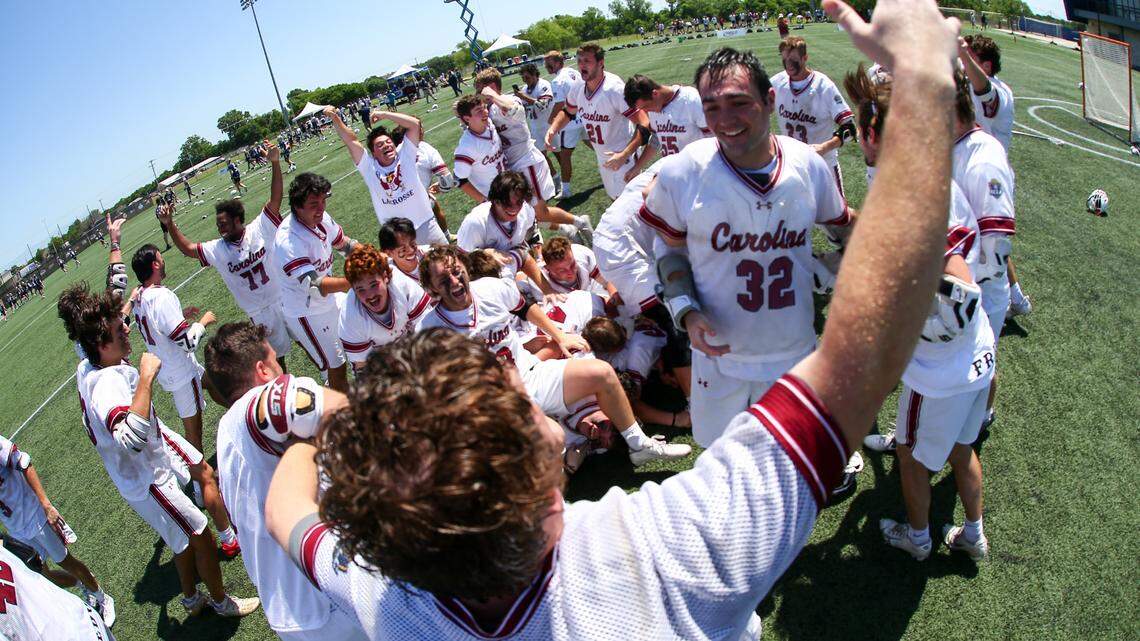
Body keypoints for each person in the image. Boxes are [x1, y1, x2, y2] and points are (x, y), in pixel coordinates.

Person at [261, 1, 965, 631]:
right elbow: (860, 357)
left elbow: (288, 514)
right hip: (735, 365)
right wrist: (927, 86)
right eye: (519, 416)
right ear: (540, 479)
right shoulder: (657, 552)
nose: (542, 416)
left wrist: (298, 426)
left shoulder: (388, 596)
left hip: (774, 341)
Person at [843, 65, 994, 561]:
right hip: (978, 354)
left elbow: (956, 288)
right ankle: (972, 534)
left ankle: (919, 538)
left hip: (940, 369)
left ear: (870, 133)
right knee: (960, 447)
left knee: (910, 457)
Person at [59, 283, 260, 618]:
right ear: (99, 342)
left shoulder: (89, 363)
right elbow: (129, 439)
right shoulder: (106, 384)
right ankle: (222, 602)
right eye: (117, 328)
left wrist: (115, 256)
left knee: (190, 512)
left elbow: (102, 325)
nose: (126, 328)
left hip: (154, 446)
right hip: (146, 476)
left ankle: (191, 599)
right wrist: (147, 378)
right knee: (198, 534)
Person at [416, 244, 691, 466]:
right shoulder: (429, 327)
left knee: (602, 372)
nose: (455, 280)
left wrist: (560, 337)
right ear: (432, 290)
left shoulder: (490, 288)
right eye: (444, 279)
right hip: (496, 400)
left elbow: (523, 307)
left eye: (456, 271)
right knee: (553, 439)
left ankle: (637, 444)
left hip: (531, 374)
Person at [205, 322, 368, 640]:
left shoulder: (226, 430)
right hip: (327, 601)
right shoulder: (254, 407)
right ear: (262, 370)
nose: (282, 368)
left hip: (289, 608)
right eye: (276, 360)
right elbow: (292, 404)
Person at [161, 143, 292, 372]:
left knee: (310, 341)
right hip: (259, 312)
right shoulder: (218, 249)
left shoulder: (258, 228)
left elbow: (276, 197)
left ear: (237, 220)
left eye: (223, 223)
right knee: (275, 360)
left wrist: (275, 163)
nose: (219, 228)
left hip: (284, 296)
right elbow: (188, 249)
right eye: (217, 224)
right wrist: (170, 224)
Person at [948, 74, 1018, 435]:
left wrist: (958, 282)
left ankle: (977, 421)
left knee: (977, 368)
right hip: (958, 283)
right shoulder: (953, 145)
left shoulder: (983, 156)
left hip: (978, 289)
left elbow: (996, 245)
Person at [0, 433, 115, 627]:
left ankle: (102, 597)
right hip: (15, 529)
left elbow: (24, 462)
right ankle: (83, 585)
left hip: (34, 515)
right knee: (43, 577)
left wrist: (46, 505)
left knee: (66, 561)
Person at [474, 69, 593, 243]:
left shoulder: (509, 100)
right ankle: (568, 229)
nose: (478, 94)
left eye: (480, 90)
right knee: (529, 216)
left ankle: (580, 222)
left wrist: (491, 94)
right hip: (513, 168)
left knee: (540, 213)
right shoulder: (489, 110)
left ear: (491, 87)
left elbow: (514, 110)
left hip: (526, 162)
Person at [959, 35, 1032, 317]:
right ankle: (1017, 299)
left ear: (986, 66)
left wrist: (962, 53)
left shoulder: (999, 92)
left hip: (989, 179)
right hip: (971, 173)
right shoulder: (968, 84)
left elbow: (983, 91)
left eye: (972, 59)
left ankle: (991, 310)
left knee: (986, 252)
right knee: (988, 244)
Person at [274, 172, 360, 393]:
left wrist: (373, 257)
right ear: (297, 206)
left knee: (361, 330)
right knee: (336, 366)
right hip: (307, 311)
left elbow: (344, 244)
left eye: (323, 200)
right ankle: (341, 415)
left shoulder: (319, 218)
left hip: (328, 299)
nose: (321, 208)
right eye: (314, 203)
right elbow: (315, 285)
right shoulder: (288, 240)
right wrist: (357, 280)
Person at [327, 106, 447, 245]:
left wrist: (384, 114)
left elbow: (414, 124)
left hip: (426, 224)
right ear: (373, 153)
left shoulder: (406, 154)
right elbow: (351, 141)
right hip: (398, 236)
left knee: (447, 264)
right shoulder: (369, 168)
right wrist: (335, 118)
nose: (386, 145)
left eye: (388, 142)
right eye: (379, 145)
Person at [545, 44, 651, 200]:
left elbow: (644, 122)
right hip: (603, 157)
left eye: (587, 61)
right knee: (615, 201)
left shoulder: (614, 89)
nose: (581, 65)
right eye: (579, 60)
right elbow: (568, 112)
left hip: (623, 157)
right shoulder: (578, 87)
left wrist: (625, 153)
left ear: (601, 63)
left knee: (633, 205)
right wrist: (553, 129)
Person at [771, 36, 857, 200]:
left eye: (794, 59)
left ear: (805, 58)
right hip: (792, 166)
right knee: (793, 221)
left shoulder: (823, 86)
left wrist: (824, 147)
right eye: (785, 59)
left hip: (823, 166)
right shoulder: (777, 82)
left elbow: (850, 128)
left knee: (837, 222)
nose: (788, 64)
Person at [338, 244, 432, 370]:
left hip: (412, 346)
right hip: (380, 365)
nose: (370, 295)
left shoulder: (403, 286)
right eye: (361, 289)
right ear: (353, 290)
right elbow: (363, 367)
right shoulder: (350, 317)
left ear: (385, 277)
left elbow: (429, 331)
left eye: (373, 285)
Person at [0, 543, 115, 640]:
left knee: (64, 560)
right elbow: (29, 556)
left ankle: (97, 593)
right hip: (78, 613)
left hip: (59, 631)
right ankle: (85, 585)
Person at [455, 172, 546, 285]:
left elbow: (533, 233)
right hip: (486, 280)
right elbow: (460, 259)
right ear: (494, 200)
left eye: (519, 202)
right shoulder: (476, 222)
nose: (514, 208)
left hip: (518, 265)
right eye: (507, 202)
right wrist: (484, 253)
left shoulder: (525, 210)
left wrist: (539, 258)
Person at [622, 74, 712, 177]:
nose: (645, 112)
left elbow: (713, 137)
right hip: (674, 171)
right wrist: (636, 168)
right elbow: (656, 139)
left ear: (655, 94)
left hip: (698, 170)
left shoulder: (690, 99)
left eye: (645, 106)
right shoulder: (655, 106)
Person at [389, 123, 456, 239]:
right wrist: (441, 187)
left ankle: (446, 236)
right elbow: (448, 182)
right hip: (420, 201)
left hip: (397, 203)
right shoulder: (424, 148)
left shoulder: (392, 155)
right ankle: (445, 237)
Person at [543, 51, 586, 198]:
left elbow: (560, 104)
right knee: (596, 145)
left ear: (556, 63)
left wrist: (551, 119)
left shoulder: (556, 81)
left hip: (570, 123)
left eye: (548, 63)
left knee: (565, 156)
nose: (545, 66)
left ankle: (566, 190)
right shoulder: (573, 71)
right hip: (584, 117)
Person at [452, 94, 507, 203]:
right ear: (467, 118)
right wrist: (484, 201)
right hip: (494, 197)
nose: (485, 112)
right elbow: (459, 179)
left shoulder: (489, 124)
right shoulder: (467, 146)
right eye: (479, 111)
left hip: (509, 185)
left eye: (485, 108)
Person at [516, 63, 559, 193]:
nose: (525, 81)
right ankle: (556, 179)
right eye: (523, 78)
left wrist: (524, 98)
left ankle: (566, 181)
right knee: (541, 156)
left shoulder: (544, 85)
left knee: (559, 154)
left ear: (535, 75)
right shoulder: (524, 89)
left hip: (549, 125)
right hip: (535, 127)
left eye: (527, 77)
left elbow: (542, 105)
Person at [377, 217, 429, 284]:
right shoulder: (390, 277)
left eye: (412, 243)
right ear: (388, 253)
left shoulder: (432, 255)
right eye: (403, 249)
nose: (411, 250)